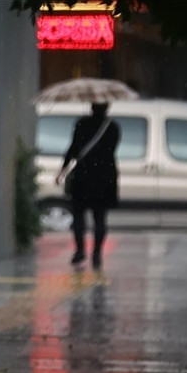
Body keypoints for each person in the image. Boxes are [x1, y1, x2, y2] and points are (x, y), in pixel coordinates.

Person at [55, 102, 121, 270]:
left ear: (91, 107)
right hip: (105, 175)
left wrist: (62, 170)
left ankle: (80, 251)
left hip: (84, 175)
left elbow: (73, 148)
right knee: (100, 217)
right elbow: (112, 149)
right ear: (107, 107)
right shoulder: (113, 127)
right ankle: (97, 254)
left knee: (78, 215)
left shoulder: (82, 124)